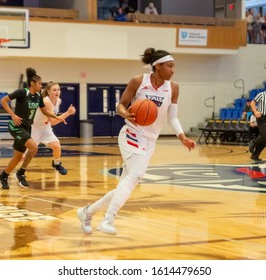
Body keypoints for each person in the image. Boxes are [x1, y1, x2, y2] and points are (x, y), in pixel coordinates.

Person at [77, 48, 196, 235]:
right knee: (135, 176)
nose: (173, 70)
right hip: (131, 134)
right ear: (158, 66)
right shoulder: (138, 81)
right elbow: (121, 105)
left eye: (174, 66)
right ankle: (107, 221)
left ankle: (87, 212)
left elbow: (172, 117)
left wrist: (182, 137)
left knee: (126, 184)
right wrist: (126, 113)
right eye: (170, 66)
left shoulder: (173, 88)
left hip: (149, 141)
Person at [0, 68, 66, 189]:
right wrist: (13, 114)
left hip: (27, 128)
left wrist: (57, 117)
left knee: (17, 157)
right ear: (32, 83)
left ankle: (3, 176)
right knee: (33, 148)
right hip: (17, 127)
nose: (41, 86)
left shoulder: (38, 96)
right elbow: (3, 100)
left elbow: (44, 111)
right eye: (39, 84)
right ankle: (21, 173)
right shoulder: (22, 92)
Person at [28, 81, 76, 175]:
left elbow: (52, 121)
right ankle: (19, 172)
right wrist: (68, 113)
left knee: (56, 145)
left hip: (45, 128)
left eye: (58, 90)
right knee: (26, 155)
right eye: (54, 90)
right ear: (48, 91)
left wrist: (61, 116)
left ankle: (56, 164)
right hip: (34, 128)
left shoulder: (58, 101)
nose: (57, 92)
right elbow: (53, 122)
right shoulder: (46, 102)